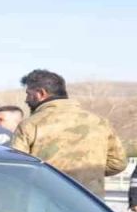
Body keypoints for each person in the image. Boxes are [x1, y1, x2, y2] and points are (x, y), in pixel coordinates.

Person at [9, 69, 127, 198]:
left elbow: (18, 168)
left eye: (28, 94)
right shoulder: (100, 122)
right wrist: (88, 174)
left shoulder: (30, 124)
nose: (26, 100)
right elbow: (117, 163)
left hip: (46, 199)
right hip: (91, 203)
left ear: (41, 93)